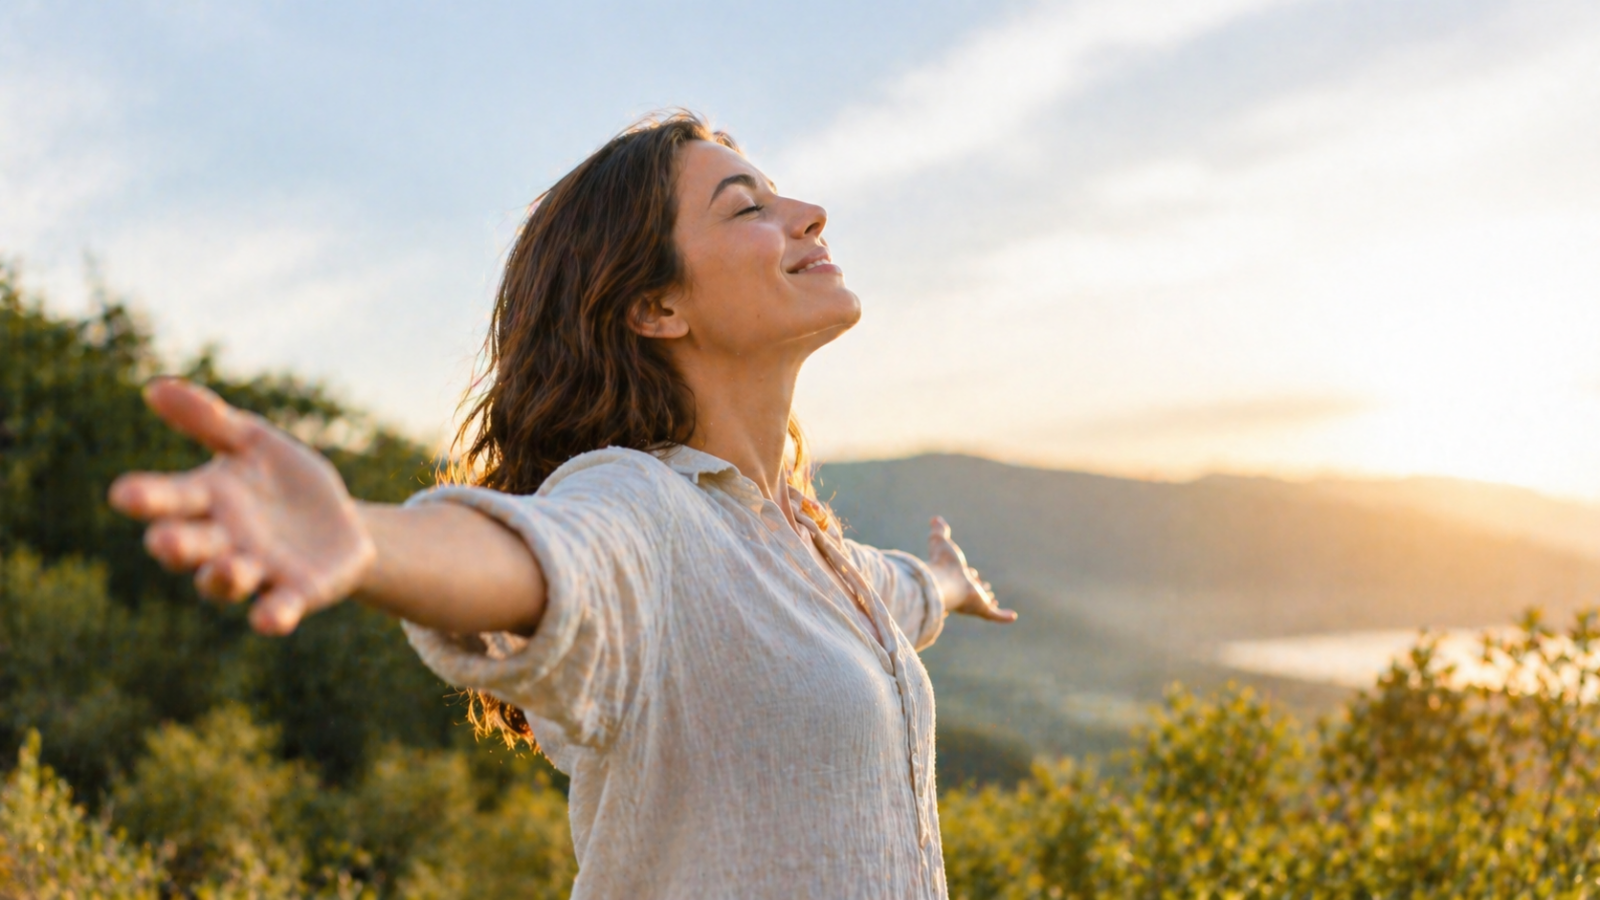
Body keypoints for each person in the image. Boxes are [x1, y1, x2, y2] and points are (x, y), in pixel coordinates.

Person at [108, 111, 1016, 899]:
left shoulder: (811, 550)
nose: (809, 213)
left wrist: (948, 582)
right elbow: (550, 554)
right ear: (656, 306)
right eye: (747, 208)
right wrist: (367, 540)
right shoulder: (644, 507)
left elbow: (898, 591)